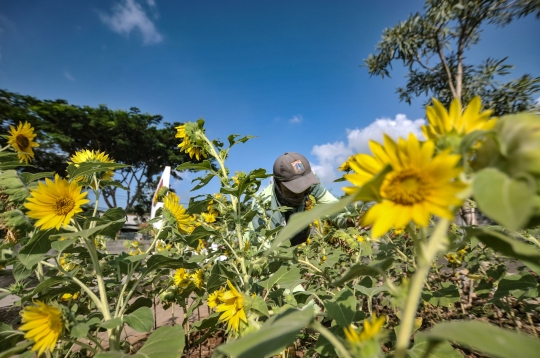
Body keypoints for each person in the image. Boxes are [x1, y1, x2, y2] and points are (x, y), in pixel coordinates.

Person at [250, 152, 350, 246]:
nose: (302, 195)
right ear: (278, 184)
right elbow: (266, 251)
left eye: (306, 188)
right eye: (295, 190)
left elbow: (333, 207)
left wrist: (349, 219)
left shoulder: (312, 184)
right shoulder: (263, 206)